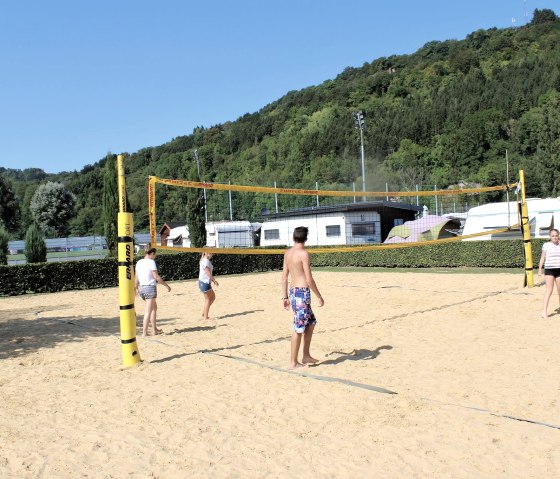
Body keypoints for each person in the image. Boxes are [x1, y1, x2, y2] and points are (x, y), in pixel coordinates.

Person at [281, 226, 324, 369]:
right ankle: (293, 362)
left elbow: (284, 277)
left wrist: (285, 297)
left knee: (311, 323)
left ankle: (305, 355)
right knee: (299, 328)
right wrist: (319, 296)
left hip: (293, 292)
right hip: (302, 293)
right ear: (306, 238)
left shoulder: (287, 253)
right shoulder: (303, 254)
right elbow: (309, 279)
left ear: (294, 237)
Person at [135, 247, 171, 336]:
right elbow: (156, 277)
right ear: (152, 253)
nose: (155, 256)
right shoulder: (151, 262)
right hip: (149, 288)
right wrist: (166, 285)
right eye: (155, 254)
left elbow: (136, 277)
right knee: (148, 311)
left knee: (154, 308)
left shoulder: (139, 262)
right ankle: (144, 332)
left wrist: (136, 288)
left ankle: (155, 329)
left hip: (141, 288)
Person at [538, 228, 560, 318]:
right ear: (550, 236)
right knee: (549, 290)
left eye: (556, 235)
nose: (555, 237)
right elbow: (542, 258)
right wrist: (540, 269)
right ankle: (544, 311)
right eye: (553, 236)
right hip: (550, 270)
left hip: (559, 269)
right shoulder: (546, 245)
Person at [199, 251, 219, 320]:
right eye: (211, 253)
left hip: (205, 282)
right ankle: (205, 317)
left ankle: (205, 312)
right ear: (206, 253)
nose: (212, 254)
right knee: (208, 299)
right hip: (204, 282)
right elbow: (208, 273)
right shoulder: (205, 261)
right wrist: (214, 281)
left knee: (213, 297)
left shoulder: (205, 260)